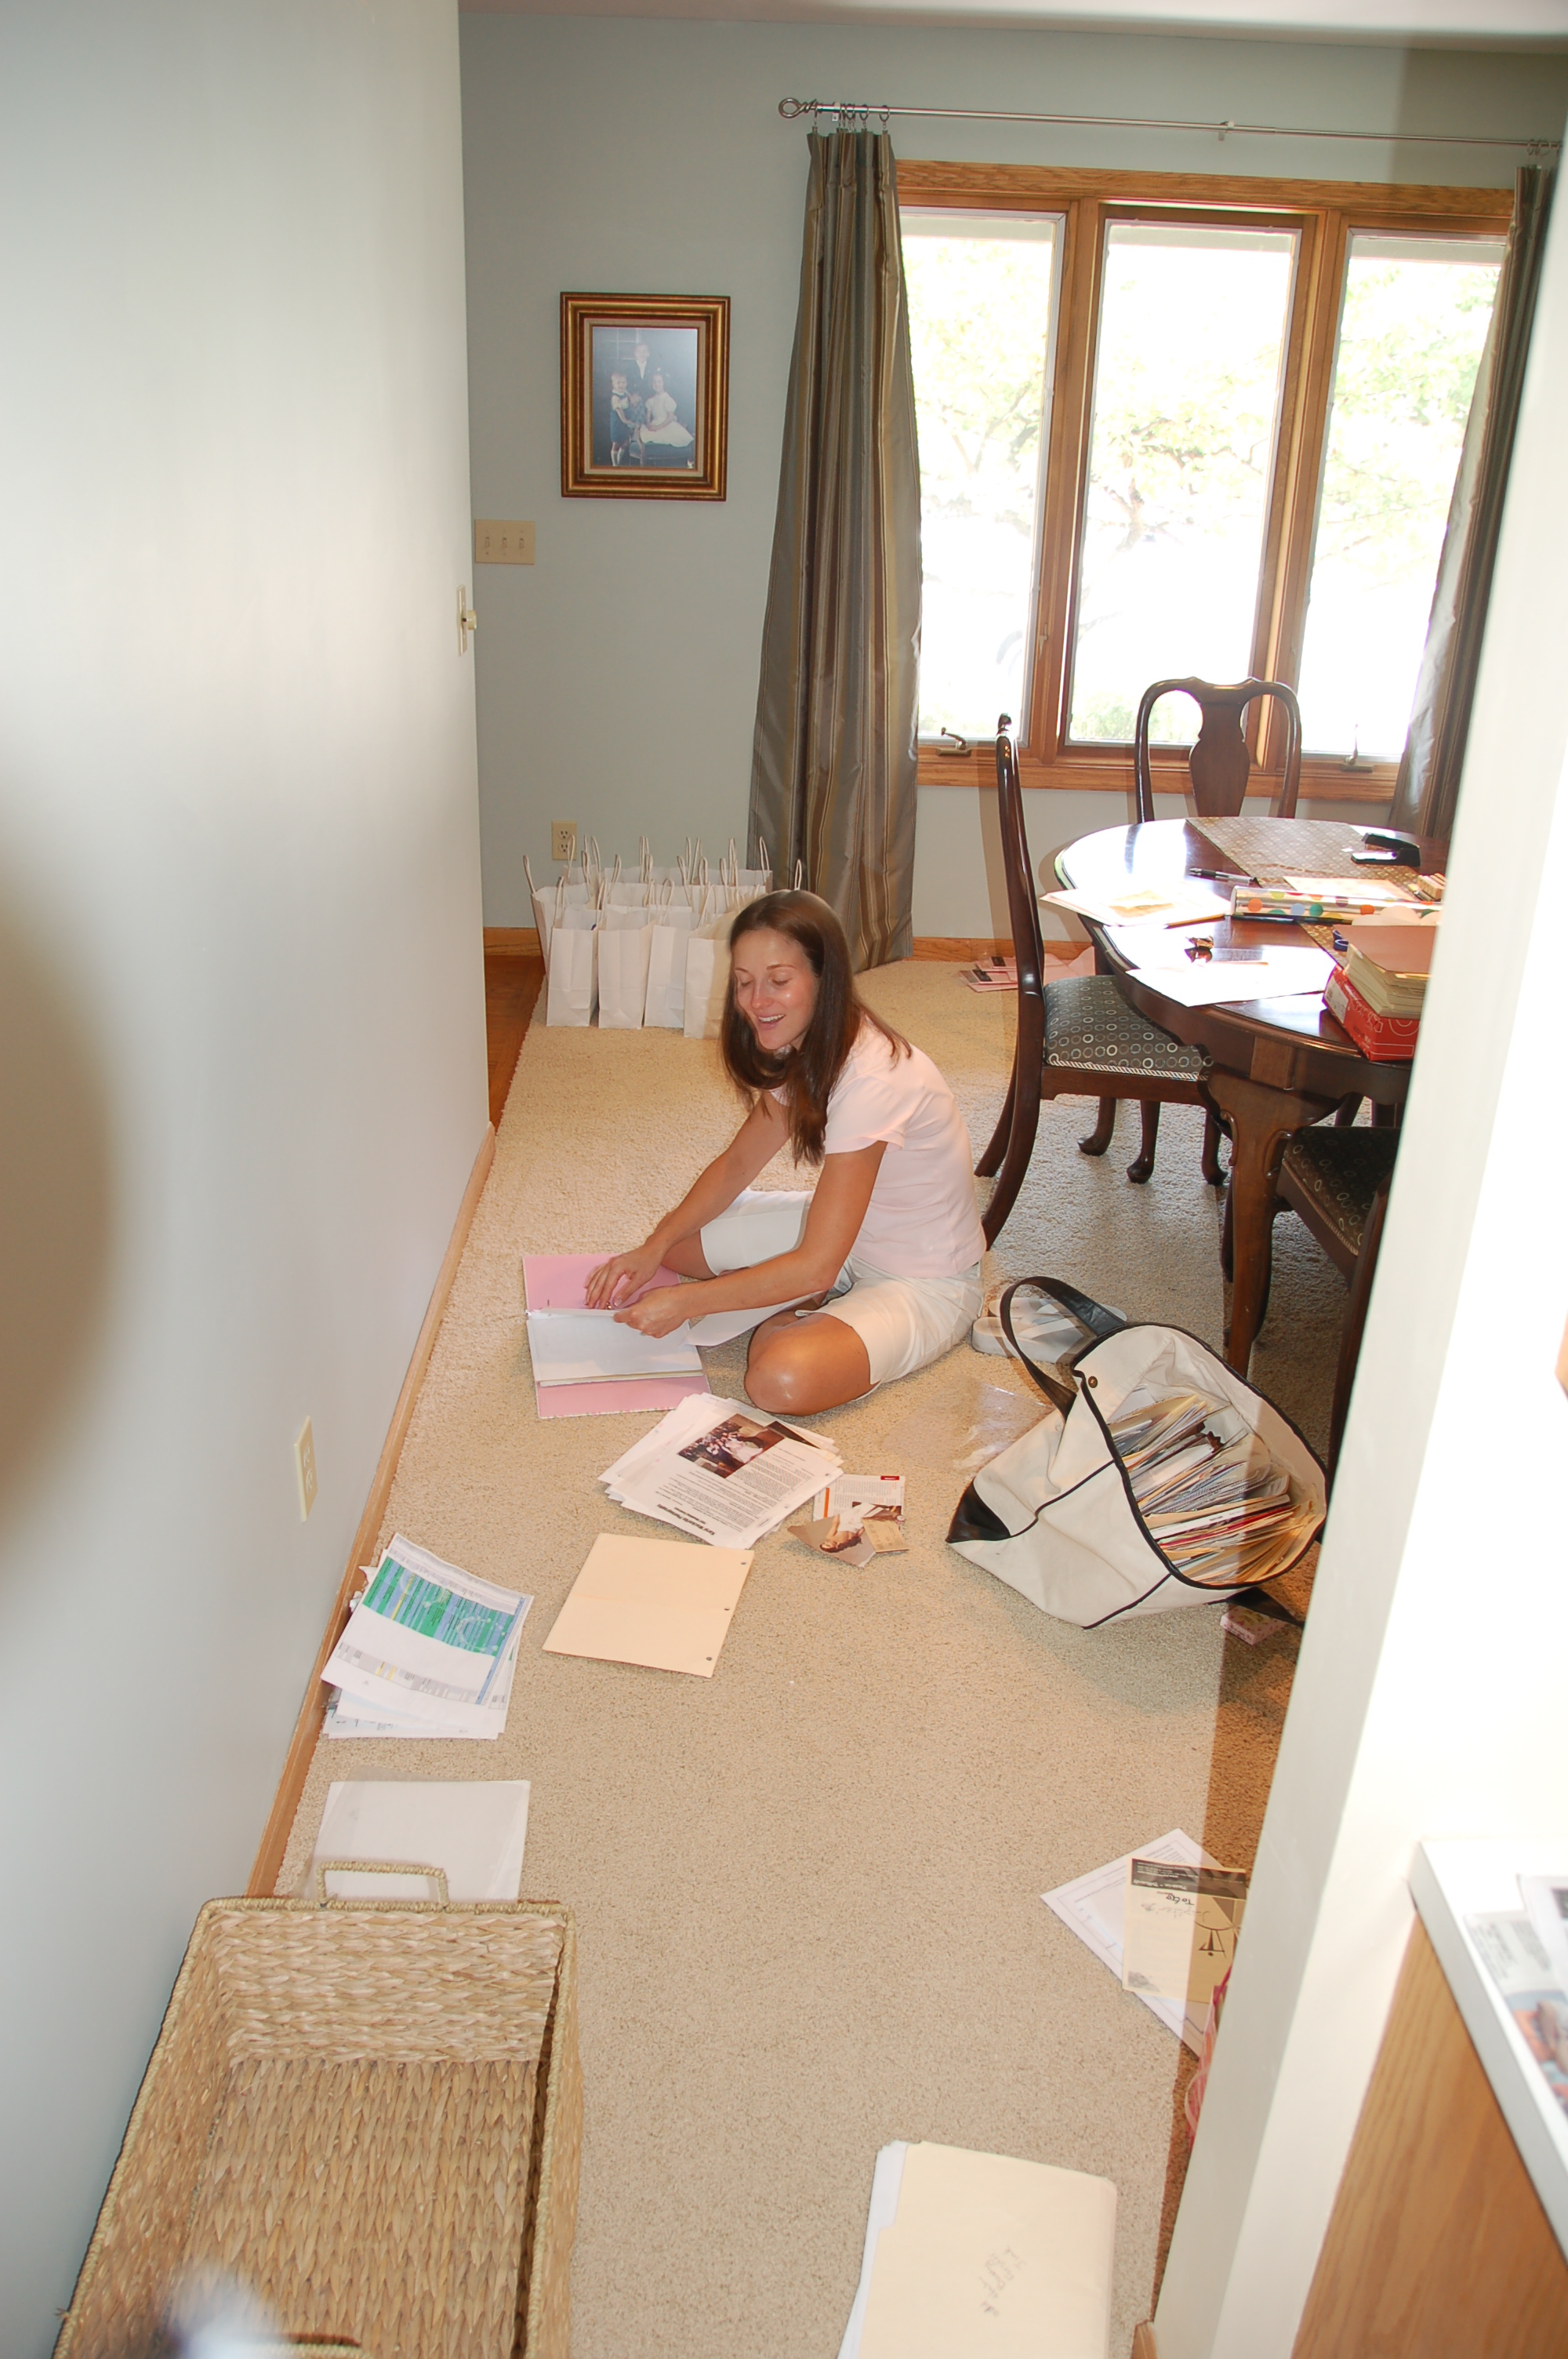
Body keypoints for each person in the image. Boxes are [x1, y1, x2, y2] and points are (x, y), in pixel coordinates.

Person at [583, 890, 985, 1414]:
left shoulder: (872, 1078)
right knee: (678, 1247)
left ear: (825, 978)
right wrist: (653, 1247)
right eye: (744, 982)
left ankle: (804, 1307)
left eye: (778, 981)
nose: (757, 1002)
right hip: (846, 1233)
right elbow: (736, 1165)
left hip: (922, 1278)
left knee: (778, 1379)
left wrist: (685, 1303)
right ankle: (807, 1297)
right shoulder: (804, 1044)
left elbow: (816, 1266)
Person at [637, 368, 694, 456]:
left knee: (668, 437)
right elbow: (648, 416)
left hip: (666, 424)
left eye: (659, 382)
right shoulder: (651, 400)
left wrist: (659, 427)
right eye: (654, 382)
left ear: (664, 383)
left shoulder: (667, 399)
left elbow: (670, 417)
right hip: (655, 423)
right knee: (645, 435)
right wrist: (649, 425)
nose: (657, 384)